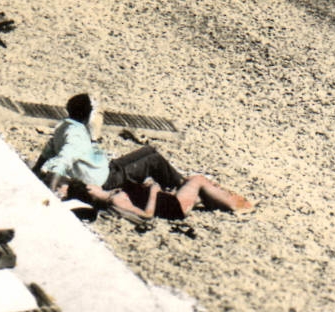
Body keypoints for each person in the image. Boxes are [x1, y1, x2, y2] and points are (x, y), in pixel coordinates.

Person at [34, 93, 253, 225]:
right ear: (88, 115)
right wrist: (50, 190)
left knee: (150, 155)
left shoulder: (65, 127)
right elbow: (63, 159)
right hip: (107, 178)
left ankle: (184, 185)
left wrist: (36, 172)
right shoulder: (76, 136)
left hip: (105, 174)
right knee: (152, 157)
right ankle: (180, 184)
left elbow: (48, 150)